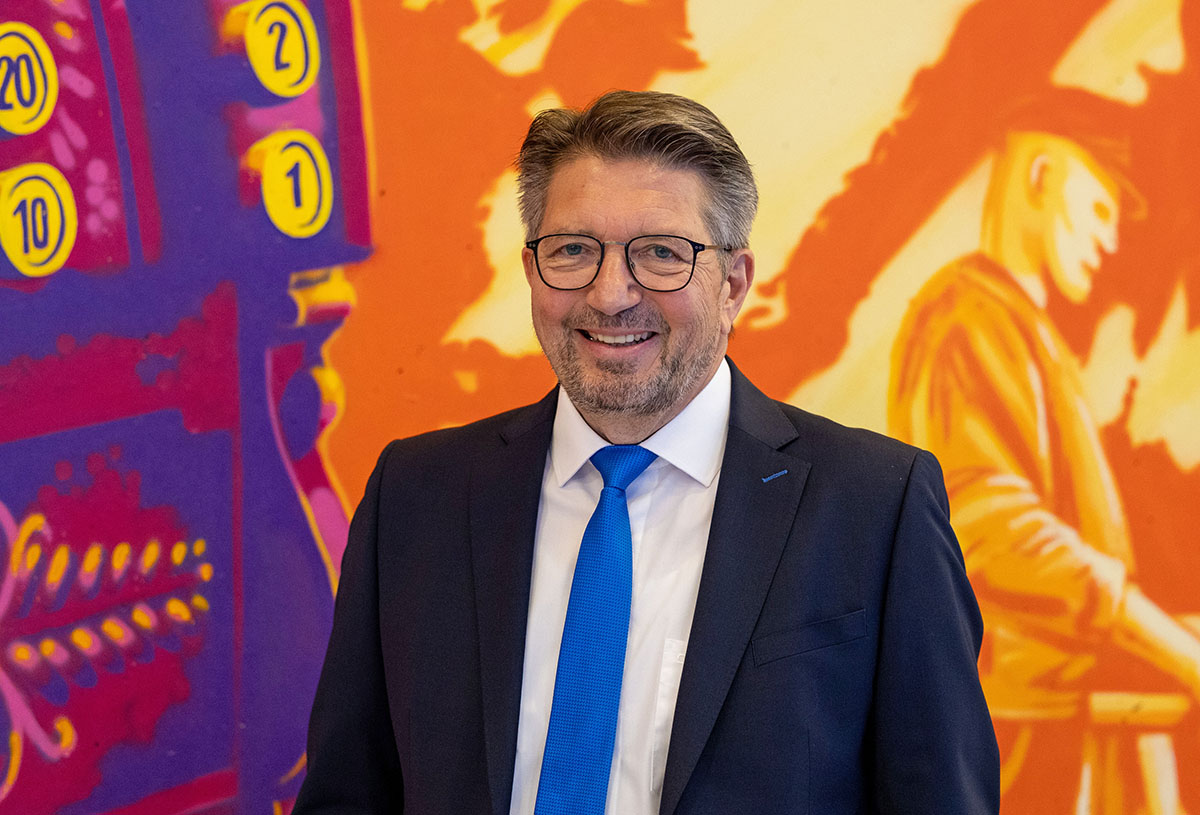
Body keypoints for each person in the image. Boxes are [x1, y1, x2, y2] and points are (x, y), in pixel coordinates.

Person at [295, 90, 999, 815]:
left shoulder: (877, 507)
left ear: (732, 284)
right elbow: (348, 795)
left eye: (661, 253)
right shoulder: (415, 497)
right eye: (573, 249)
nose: (609, 295)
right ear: (533, 270)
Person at [889, 125, 1200, 809]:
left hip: (1057, 719)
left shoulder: (1017, 324)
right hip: (1025, 735)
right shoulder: (967, 317)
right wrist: (1170, 643)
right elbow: (995, 532)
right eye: (1100, 209)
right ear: (1039, 176)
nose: (1110, 240)